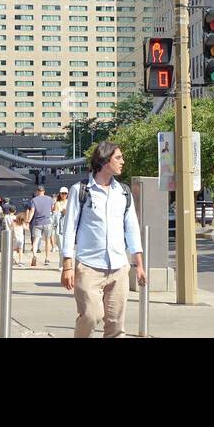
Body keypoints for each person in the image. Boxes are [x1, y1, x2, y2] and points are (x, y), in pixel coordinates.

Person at [61, 143, 145, 338]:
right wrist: (67, 266)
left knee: (116, 326)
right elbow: (69, 229)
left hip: (119, 268)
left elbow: (132, 229)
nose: (122, 162)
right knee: (91, 316)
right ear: (104, 161)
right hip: (89, 267)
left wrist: (138, 265)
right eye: (118, 158)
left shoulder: (123, 192)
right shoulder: (80, 190)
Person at [25, 186, 56, 267]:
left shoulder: (34, 200)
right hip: (47, 222)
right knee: (47, 241)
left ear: (37, 192)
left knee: (35, 241)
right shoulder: (49, 199)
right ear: (44, 191)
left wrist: (28, 221)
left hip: (37, 223)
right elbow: (53, 209)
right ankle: (47, 258)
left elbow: (32, 211)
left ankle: (34, 255)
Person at [50, 187, 68, 253]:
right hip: (59, 224)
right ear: (60, 194)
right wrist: (61, 212)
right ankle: (56, 247)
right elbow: (55, 213)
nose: (64, 195)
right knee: (60, 238)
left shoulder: (69, 202)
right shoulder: (57, 203)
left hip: (67, 223)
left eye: (65, 193)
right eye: (62, 193)